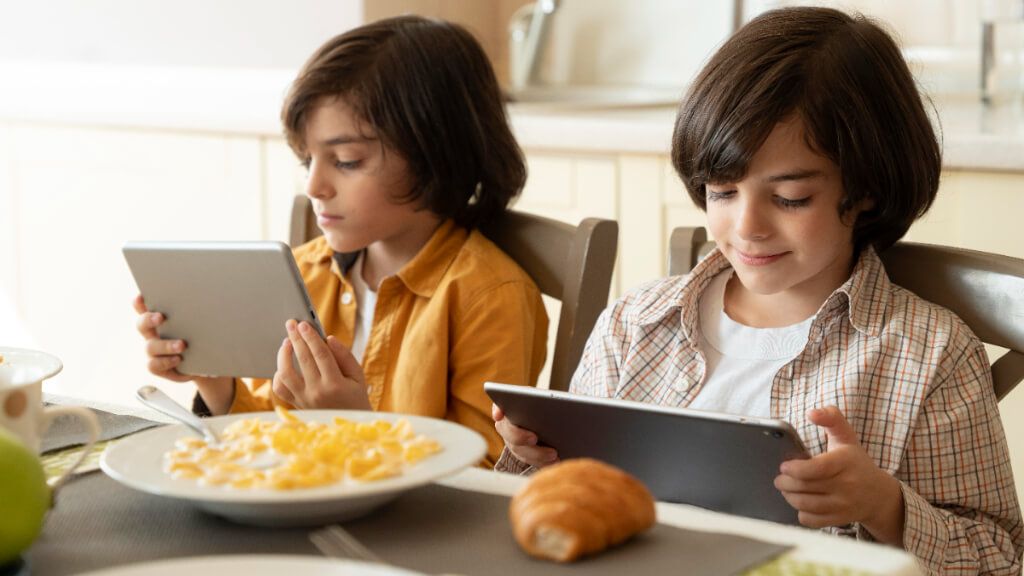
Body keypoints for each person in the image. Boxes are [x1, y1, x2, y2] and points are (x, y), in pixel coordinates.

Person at [493, 7, 1022, 573]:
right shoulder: (635, 324)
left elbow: (999, 558)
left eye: (790, 197)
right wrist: (531, 459)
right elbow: (560, 509)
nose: (747, 228)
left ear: (866, 188)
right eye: (722, 191)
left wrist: (885, 506)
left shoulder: (929, 354)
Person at [134, 16, 548, 466]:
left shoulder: (488, 297)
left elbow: (485, 482)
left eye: (347, 161)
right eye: (307, 159)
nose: (314, 186)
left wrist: (357, 427)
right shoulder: (303, 272)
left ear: (437, 155)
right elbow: (270, 433)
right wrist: (216, 383)